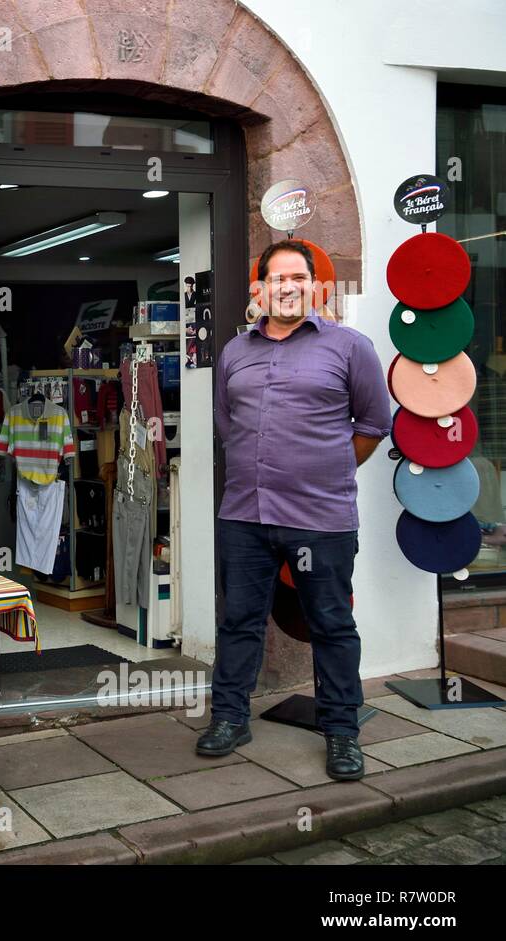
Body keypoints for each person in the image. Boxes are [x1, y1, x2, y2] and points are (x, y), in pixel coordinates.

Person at [198, 240, 390, 781]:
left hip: (320, 518)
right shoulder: (235, 352)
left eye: (297, 278)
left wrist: (324, 468)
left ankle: (342, 733)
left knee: (330, 623)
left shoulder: (351, 347)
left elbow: (373, 426)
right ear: (259, 289)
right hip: (243, 515)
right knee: (239, 621)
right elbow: (227, 424)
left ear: (315, 286)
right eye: (276, 279)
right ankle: (230, 718)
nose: (287, 287)